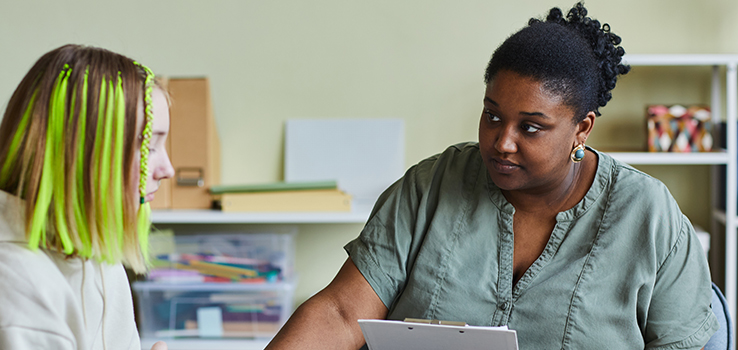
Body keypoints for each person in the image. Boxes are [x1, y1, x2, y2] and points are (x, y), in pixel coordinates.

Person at [266, 3, 718, 350]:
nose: (502, 142)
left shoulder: (649, 216)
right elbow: (343, 313)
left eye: (531, 127)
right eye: (492, 116)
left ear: (582, 128)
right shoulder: (430, 187)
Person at [0, 44, 174, 349]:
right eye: (148, 146)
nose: (167, 169)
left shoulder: (101, 261)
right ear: (81, 153)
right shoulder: (6, 285)